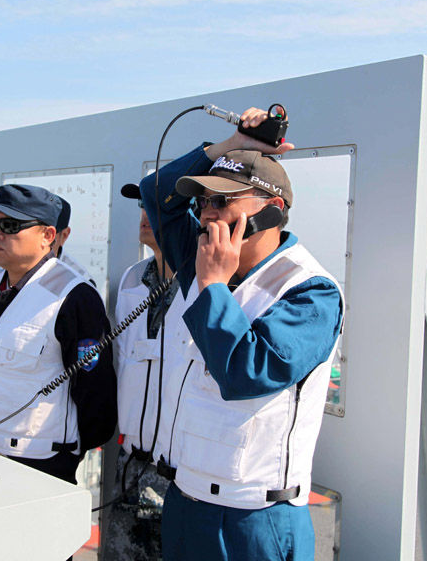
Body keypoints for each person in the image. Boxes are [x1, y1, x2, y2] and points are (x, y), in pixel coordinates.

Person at [139, 107, 344, 560]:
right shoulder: (202, 260)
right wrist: (230, 146)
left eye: (223, 201)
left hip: (253, 518)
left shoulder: (311, 292)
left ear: (270, 214)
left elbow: (246, 373)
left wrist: (212, 285)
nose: (208, 214)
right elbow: (157, 194)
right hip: (185, 501)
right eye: (204, 201)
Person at [0, 184, 117, 485]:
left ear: (48, 236)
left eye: (11, 225)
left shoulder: (74, 296)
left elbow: (96, 393)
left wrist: (66, 453)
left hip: (39, 463)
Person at [101, 184, 190, 560]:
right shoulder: (131, 280)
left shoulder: (212, 285)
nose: (145, 213)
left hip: (182, 476)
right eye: (143, 204)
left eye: (160, 205)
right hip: (130, 466)